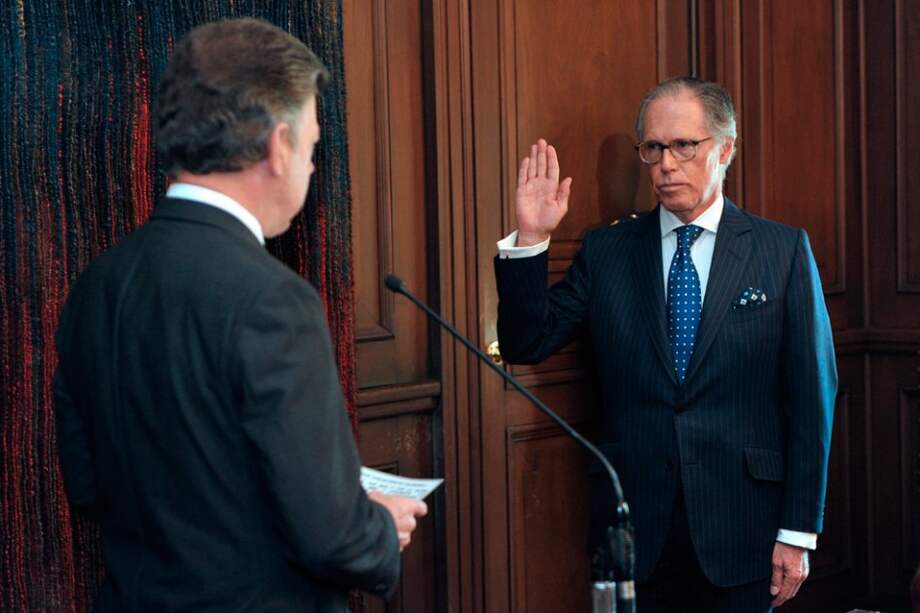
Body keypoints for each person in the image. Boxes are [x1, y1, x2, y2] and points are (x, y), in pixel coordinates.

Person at [53, 18, 427, 612]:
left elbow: (89, 486)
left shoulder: (96, 286)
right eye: (311, 148)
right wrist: (380, 529)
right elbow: (331, 536)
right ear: (279, 147)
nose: (309, 168)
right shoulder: (275, 301)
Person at [494, 77, 836, 612]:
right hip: (636, 531)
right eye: (652, 148)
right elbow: (525, 341)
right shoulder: (607, 251)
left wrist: (799, 530)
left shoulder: (782, 250)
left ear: (725, 149)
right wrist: (532, 237)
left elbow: (813, 399)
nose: (666, 164)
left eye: (683, 145)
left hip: (743, 527)